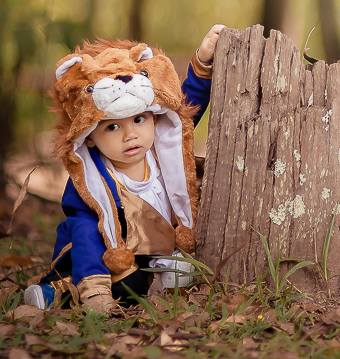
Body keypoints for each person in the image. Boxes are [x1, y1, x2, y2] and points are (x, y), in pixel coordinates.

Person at [24, 24, 225, 312]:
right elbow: (85, 234)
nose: (130, 135)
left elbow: (184, 107)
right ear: (89, 136)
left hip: (150, 250)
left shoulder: (160, 152)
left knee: (165, 277)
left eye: (139, 119)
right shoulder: (91, 181)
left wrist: (203, 62)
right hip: (103, 255)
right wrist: (94, 287)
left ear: (154, 117)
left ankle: (156, 275)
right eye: (113, 127)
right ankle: (58, 291)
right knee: (125, 285)